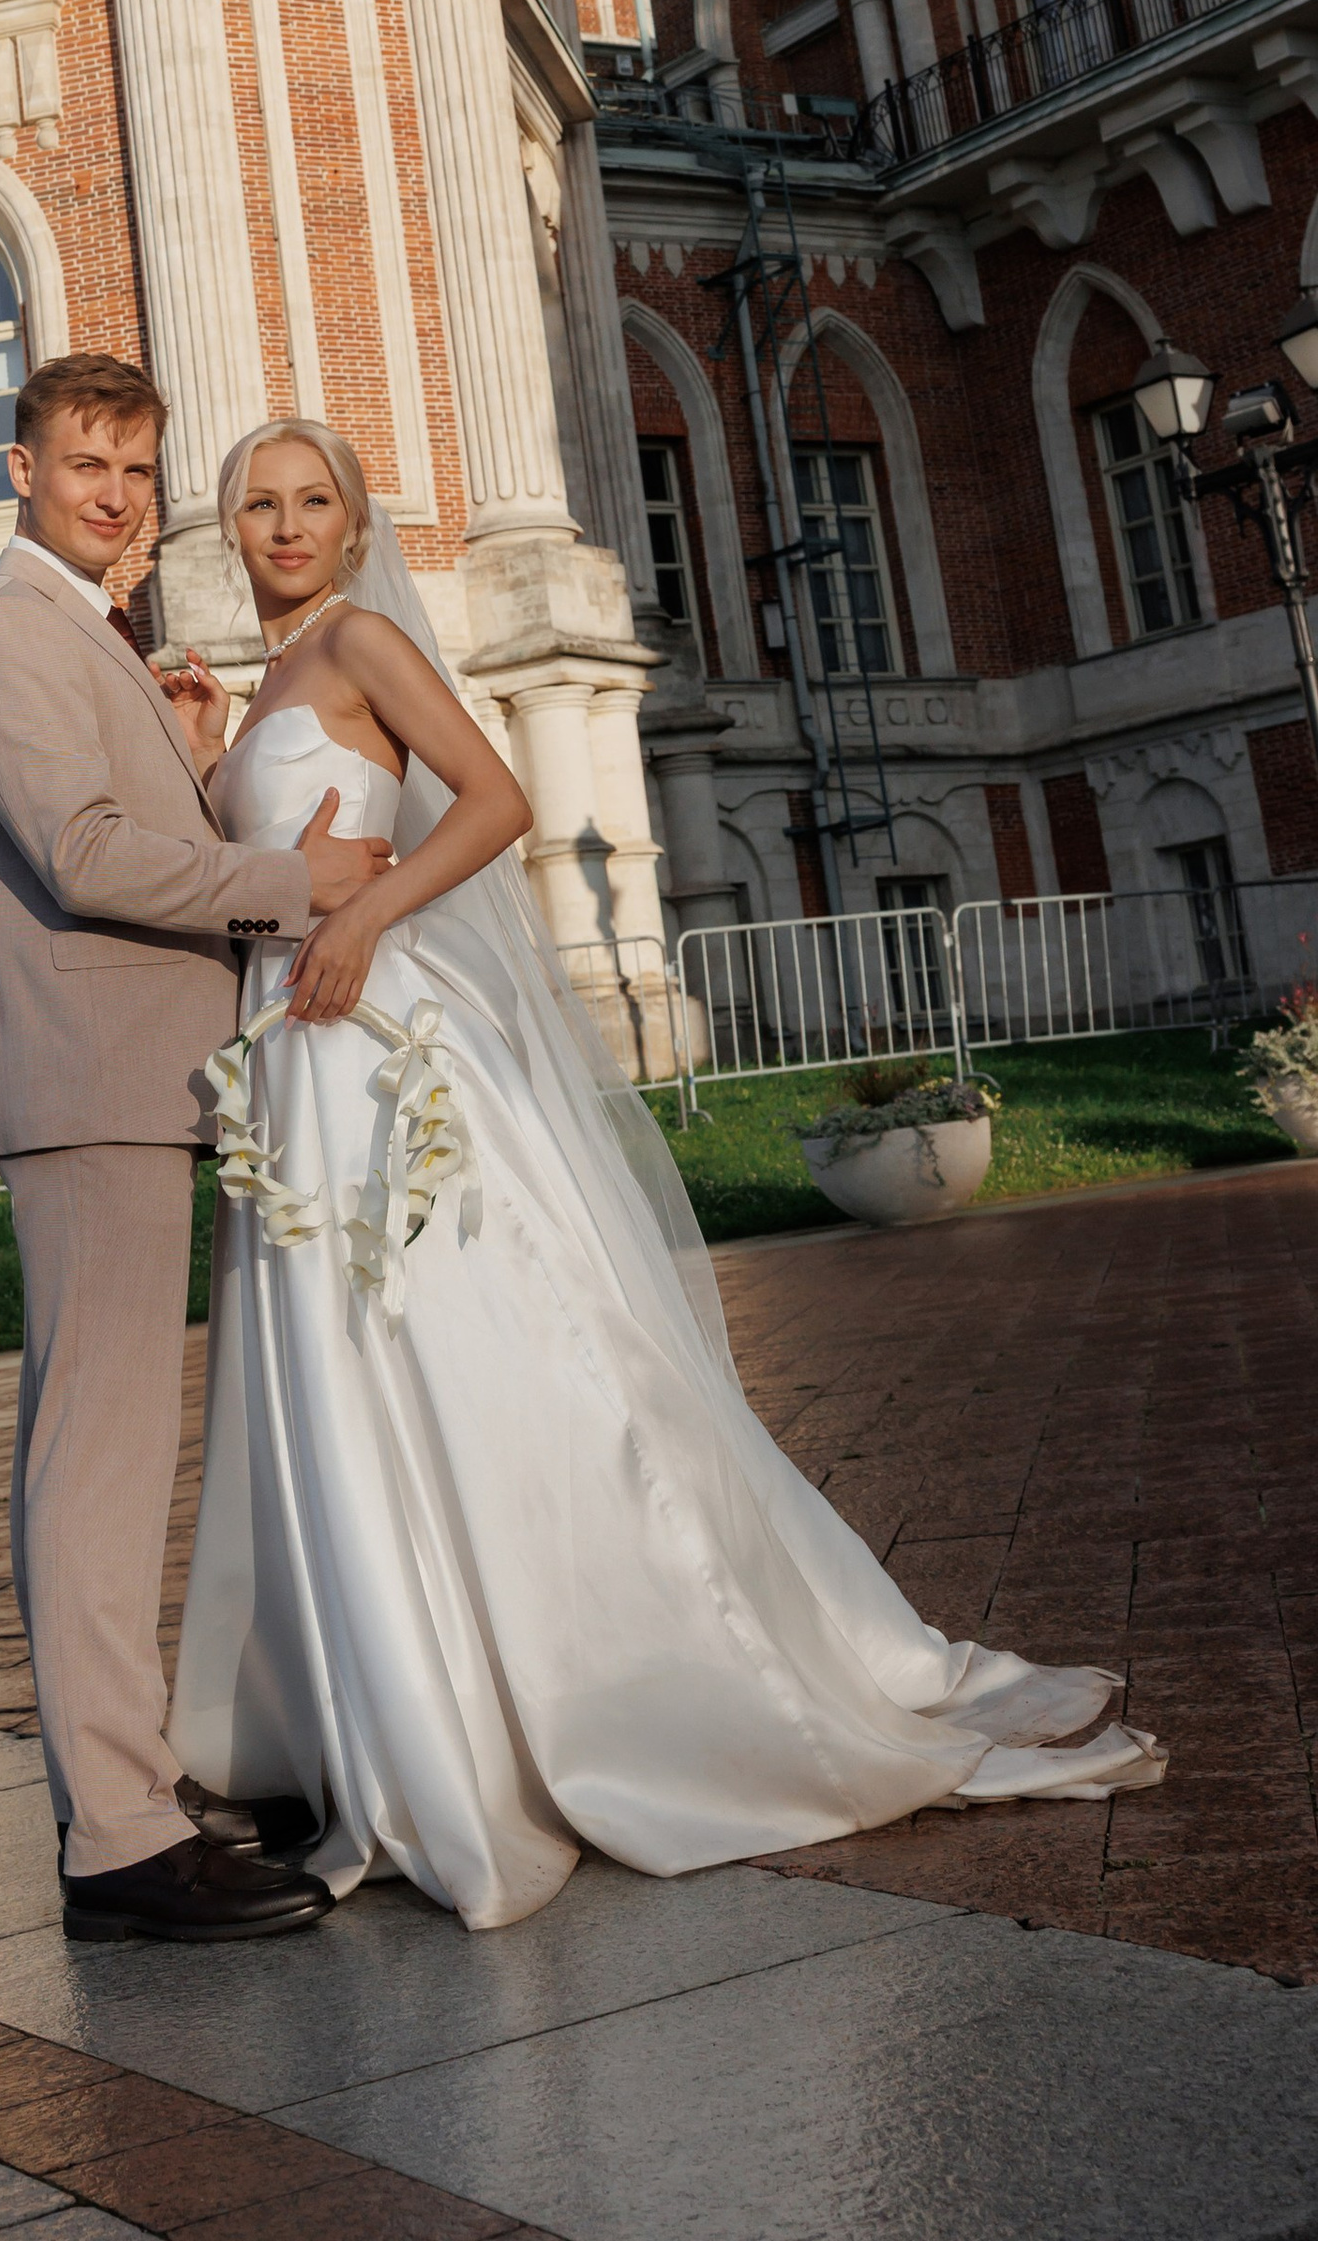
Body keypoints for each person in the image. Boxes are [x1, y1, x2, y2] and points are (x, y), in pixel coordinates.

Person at [170, 415, 1166, 1931]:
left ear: (356, 521)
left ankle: (554, 1695)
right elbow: (272, 870)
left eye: (316, 500)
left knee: (465, 1354)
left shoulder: (365, 639)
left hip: (380, 1052)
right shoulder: (260, 690)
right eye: (262, 502)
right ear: (228, 526)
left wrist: (373, 924)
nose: (288, 523)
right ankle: (406, 1700)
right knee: (343, 1370)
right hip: (295, 1062)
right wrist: (203, 768)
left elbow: (494, 804)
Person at [0, 353, 393, 1944]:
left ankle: (118, 1782)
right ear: (22, 467)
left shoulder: (88, 628)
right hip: (90, 1084)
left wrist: (197, 756)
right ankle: (119, 1842)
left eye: (135, 468)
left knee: (99, 1452)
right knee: (97, 1459)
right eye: (85, 465)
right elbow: (79, 854)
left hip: (130, 1078)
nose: (115, 494)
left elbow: (134, 821)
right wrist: (288, 883)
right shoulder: (7, 635)